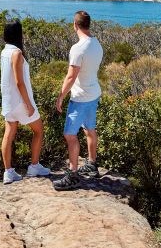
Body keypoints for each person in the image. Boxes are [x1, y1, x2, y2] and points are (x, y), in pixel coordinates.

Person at [53, 11, 104, 191]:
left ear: (75, 25)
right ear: (88, 24)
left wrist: (60, 96)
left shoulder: (78, 48)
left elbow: (70, 77)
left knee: (70, 134)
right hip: (93, 94)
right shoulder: (97, 44)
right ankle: (92, 163)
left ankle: (73, 174)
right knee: (89, 129)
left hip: (80, 98)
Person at [0, 20, 51, 184]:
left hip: (8, 103)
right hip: (20, 102)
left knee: (9, 134)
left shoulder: (4, 52)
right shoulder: (17, 53)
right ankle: (34, 167)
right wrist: (28, 104)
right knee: (38, 130)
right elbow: (19, 82)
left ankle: (8, 172)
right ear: (18, 34)